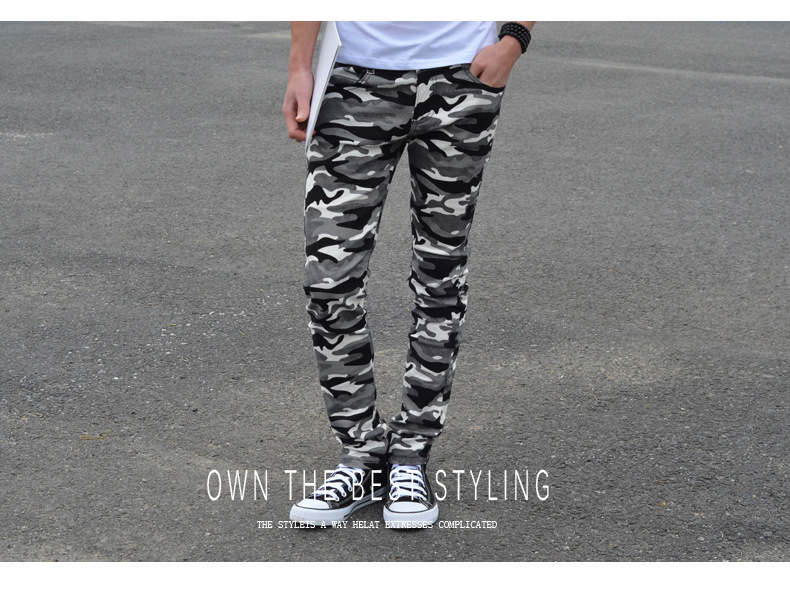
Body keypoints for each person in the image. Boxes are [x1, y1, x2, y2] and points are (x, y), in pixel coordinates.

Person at [283, 20, 534, 528]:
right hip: (352, 79)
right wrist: (299, 65)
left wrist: (514, 40)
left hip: (462, 79)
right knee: (329, 281)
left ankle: (411, 455)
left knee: (440, 273)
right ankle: (361, 453)